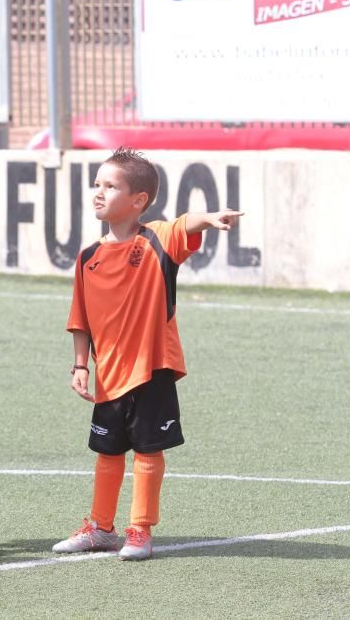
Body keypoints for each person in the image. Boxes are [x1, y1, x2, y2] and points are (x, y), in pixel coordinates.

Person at [56, 146, 244, 561]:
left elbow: (184, 223)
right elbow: (80, 318)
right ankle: (100, 528)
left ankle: (139, 530)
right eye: (97, 185)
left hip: (152, 367)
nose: (99, 193)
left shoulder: (157, 239)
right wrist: (80, 365)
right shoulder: (88, 257)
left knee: (147, 449)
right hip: (109, 374)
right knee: (106, 452)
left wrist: (210, 219)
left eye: (110, 186)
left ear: (138, 200)